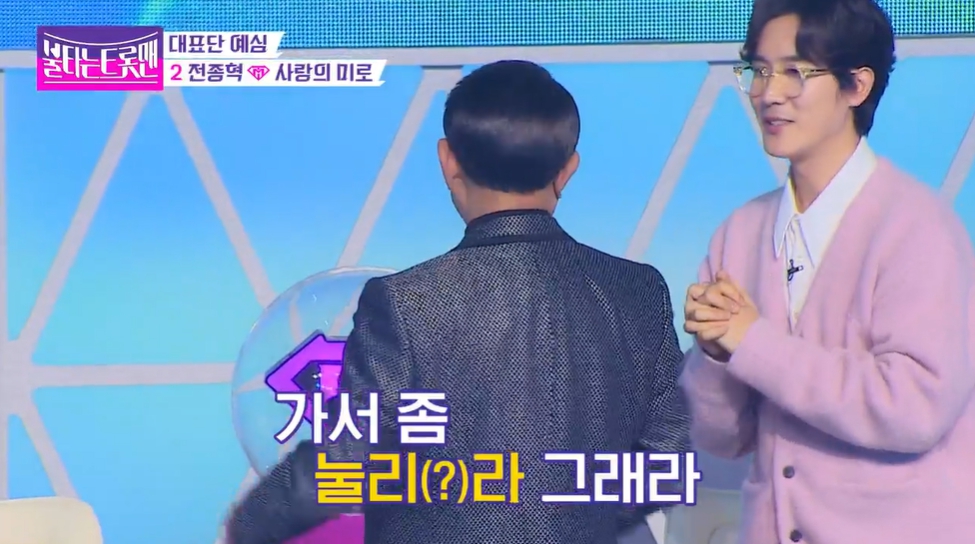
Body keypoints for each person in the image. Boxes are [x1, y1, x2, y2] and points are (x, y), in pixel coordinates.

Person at [226, 60, 691, 544]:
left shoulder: (405, 303)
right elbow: (671, 456)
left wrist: (249, 524)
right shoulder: (636, 290)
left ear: (447, 161)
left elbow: (347, 459)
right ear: (568, 170)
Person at [679, 0, 975, 543]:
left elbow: (914, 409)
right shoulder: (738, 234)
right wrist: (715, 356)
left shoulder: (918, 229)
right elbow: (720, 439)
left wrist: (752, 342)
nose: (768, 93)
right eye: (758, 70)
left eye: (795, 72)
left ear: (857, 85)